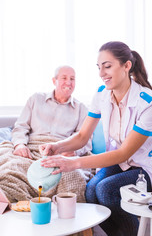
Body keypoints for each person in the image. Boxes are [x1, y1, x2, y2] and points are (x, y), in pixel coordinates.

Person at [39, 41, 152, 236]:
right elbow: (83, 136)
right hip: (121, 162)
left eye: (107, 66)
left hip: (144, 167)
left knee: (106, 190)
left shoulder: (146, 102)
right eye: (99, 67)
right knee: (91, 190)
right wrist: (56, 146)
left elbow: (124, 153)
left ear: (127, 66)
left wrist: (73, 162)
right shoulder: (101, 95)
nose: (101, 73)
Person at [12, 65, 92, 158]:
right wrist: (20, 145)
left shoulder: (81, 108)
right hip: (32, 146)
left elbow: (84, 139)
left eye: (72, 79)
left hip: (60, 151)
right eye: (64, 78)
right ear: (54, 81)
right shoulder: (36, 99)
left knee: (72, 172)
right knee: (10, 166)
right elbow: (21, 126)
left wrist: (74, 151)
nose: (69, 82)